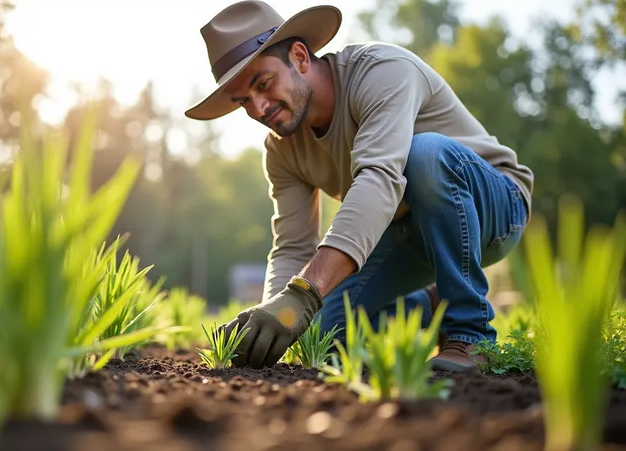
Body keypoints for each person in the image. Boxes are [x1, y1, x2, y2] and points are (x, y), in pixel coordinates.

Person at [185, 1, 533, 372]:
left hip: (493, 210)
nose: (258, 109)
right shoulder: (281, 149)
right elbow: (293, 245)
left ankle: (469, 333)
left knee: (424, 153)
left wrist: (302, 294)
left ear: (300, 56)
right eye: (244, 101)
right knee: (319, 331)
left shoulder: (382, 71)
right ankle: (429, 303)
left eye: (263, 84)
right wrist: (273, 315)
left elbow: (380, 179)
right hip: (404, 229)